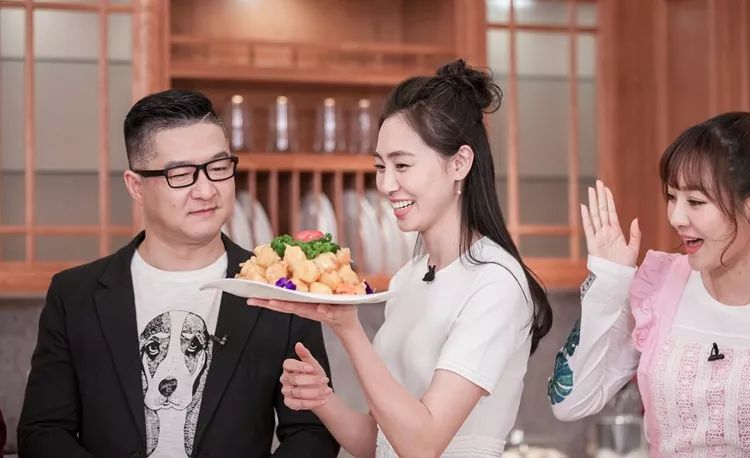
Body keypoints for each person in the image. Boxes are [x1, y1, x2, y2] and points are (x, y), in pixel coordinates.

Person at [248, 59, 554, 457]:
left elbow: (421, 444)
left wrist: (349, 329)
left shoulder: (496, 283)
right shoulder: (409, 278)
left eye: (402, 165)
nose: (386, 184)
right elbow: (378, 443)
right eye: (380, 166)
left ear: (459, 163)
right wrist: (321, 399)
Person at [18, 89, 339, 458]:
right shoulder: (75, 295)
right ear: (136, 186)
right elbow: (43, 431)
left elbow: (312, 432)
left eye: (219, 168)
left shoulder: (279, 289)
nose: (206, 190)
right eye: (182, 174)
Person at [549, 98, 750, 456]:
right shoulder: (660, 286)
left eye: (696, 202)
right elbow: (569, 402)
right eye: (671, 197)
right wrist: (608, 282)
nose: (676, 217)